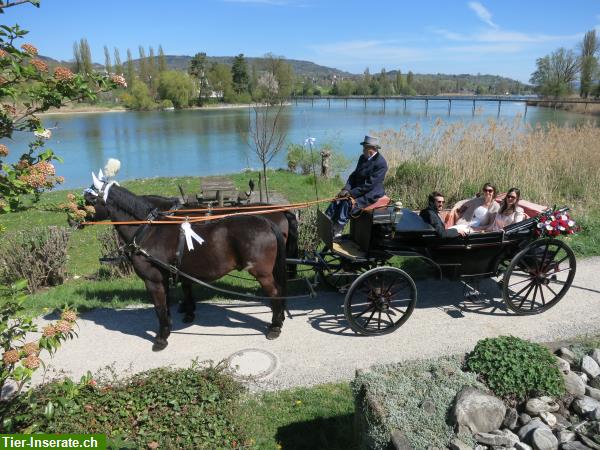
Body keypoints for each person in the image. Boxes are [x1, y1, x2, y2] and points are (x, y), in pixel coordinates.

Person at [326, 135, 388, 238]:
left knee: (347, 203)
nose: (363, 150)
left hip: (371, 192)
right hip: (359, 189)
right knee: (338, 199)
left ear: (371, 150)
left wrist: (350, 193)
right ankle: (327, 220)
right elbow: (354, 175)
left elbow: (369, 185)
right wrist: (346, 188)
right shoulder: (362, 158)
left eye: (364, 148)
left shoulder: (381, 163)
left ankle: (337, 231)